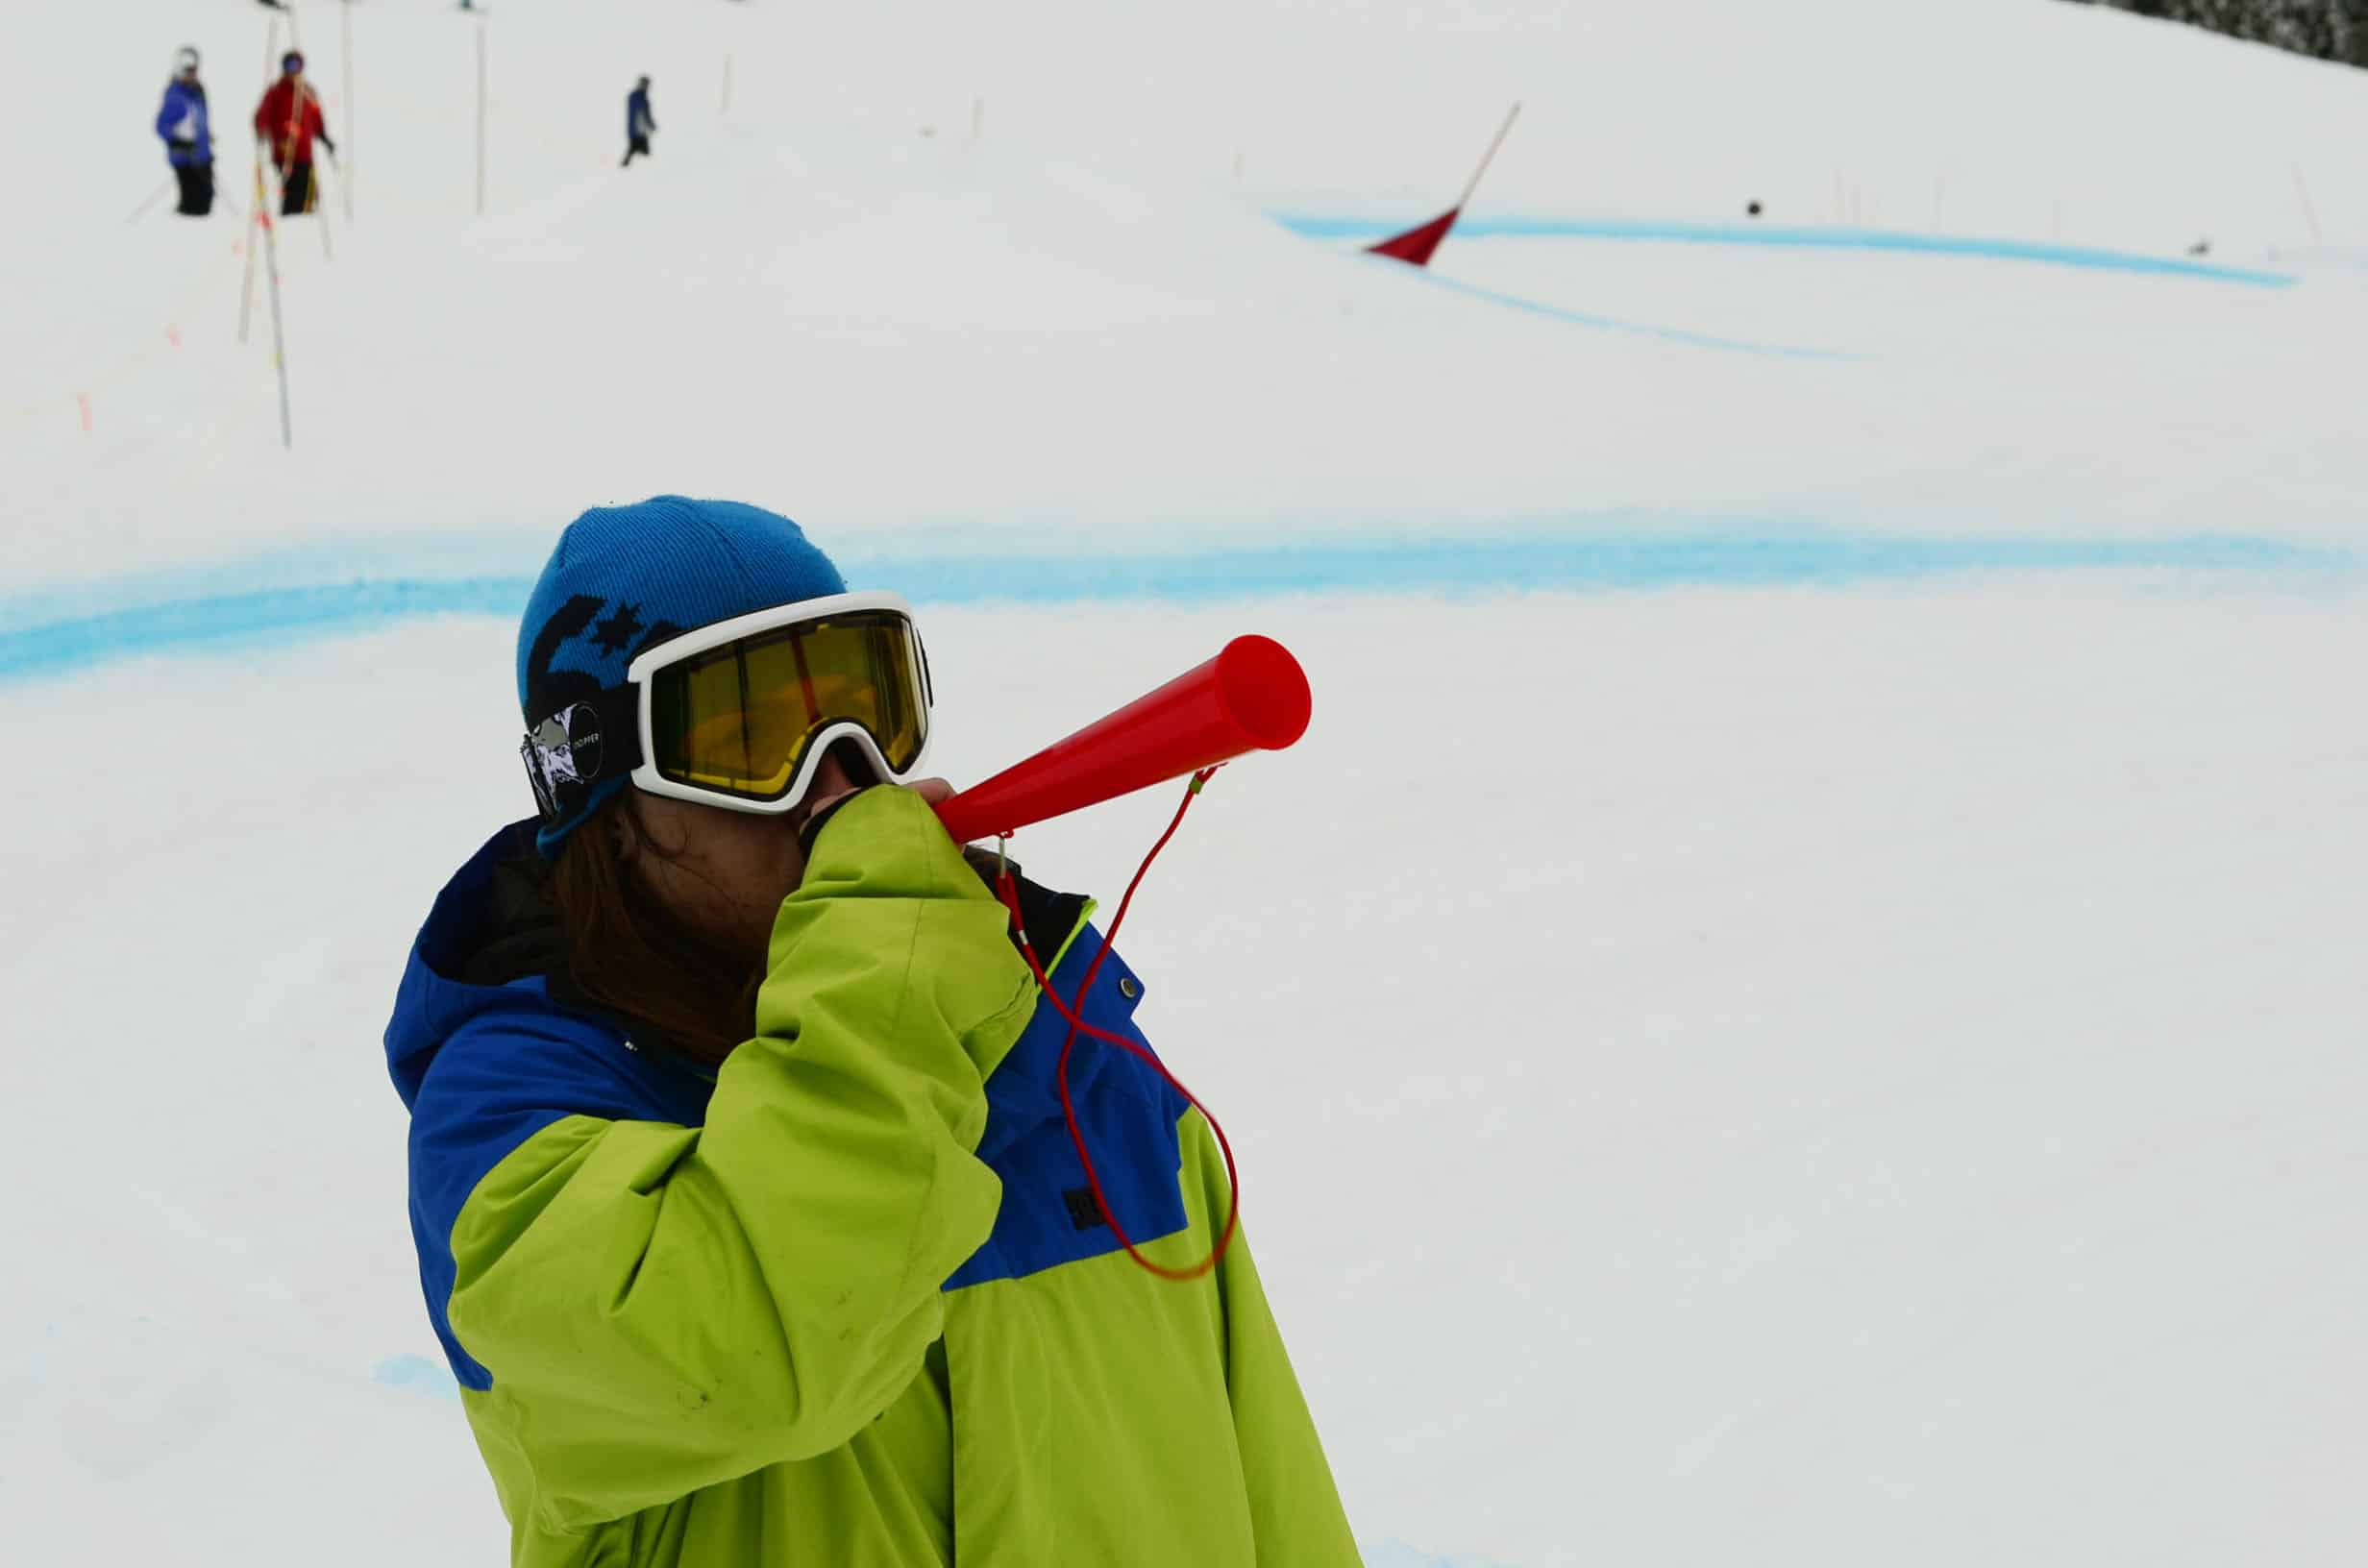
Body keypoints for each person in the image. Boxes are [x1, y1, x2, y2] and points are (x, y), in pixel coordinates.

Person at [384, 496, 1361, 1567]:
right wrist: (888, 959)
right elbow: (761, 1361)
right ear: (606, 805)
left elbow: (1266, 1470)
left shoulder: (1068, 1054)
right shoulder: (509, 1113)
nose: (839, 781)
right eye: (748, 737)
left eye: (861, 707)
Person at [254, 49, 335, 216]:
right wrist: (261, 130)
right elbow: (262, 115)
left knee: (309, 193)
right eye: (289, 65)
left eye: (297, 66)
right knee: (294, 193)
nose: (293, 70)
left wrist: (324, 137)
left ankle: (305, 221)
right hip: (285, 153)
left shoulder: (307, 91)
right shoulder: (275, 92)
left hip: (305, 153)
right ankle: (290, 222)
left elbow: (316, 116)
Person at [155, 47, 213, 216]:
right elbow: (161, 126)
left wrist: (206, 139)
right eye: (188, 71)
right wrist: (176, 141)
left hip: (202, 156)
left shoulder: (197, 93)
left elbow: (199, 122)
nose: (192, 75)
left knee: (206, 200)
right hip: (186, 160)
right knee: (193, 206)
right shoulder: (175, 97)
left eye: (194, 71)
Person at [623, 74, 655, 166]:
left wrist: (650, 124)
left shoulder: (642, 97)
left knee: (640, 150)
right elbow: (642, 113)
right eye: (644, 84)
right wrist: (650, 124)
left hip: (640, 129)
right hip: (637, 129)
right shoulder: (637, 96)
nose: (646, 86)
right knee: (636, 149)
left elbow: (646, 113)